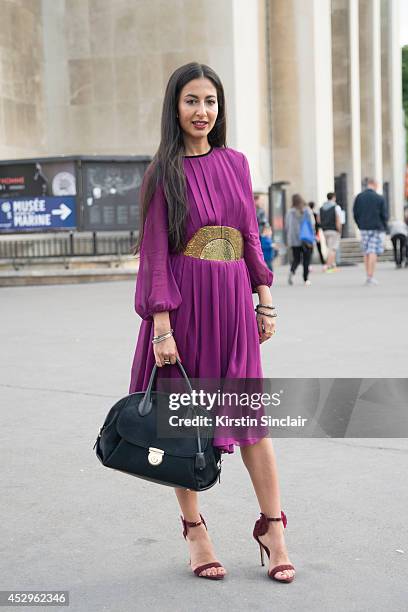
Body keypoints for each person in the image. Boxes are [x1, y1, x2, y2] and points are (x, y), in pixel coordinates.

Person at [129, 62, 295, 583]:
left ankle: (273, 528)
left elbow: (248, 233)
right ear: (174, 108)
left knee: (252, 423)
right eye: (192, 101)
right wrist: (161, 325)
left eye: (211, 102)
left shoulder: (237, 163)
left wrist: (263, 297)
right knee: (184, 424)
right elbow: (155, 251)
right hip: (183, 308)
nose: (202, 112)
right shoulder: (163, 171)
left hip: (231, 307)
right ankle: (195, 531)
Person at [353, 179, 388, 285]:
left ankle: (367, 274)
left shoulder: (359, 197)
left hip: (363, 227)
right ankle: (370, 275)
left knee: (366, 251)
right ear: (374, 185)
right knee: (373, 251)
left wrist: (359, 224)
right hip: (376, 227)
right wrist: (384, 227)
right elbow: (384, 215)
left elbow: (355, 212)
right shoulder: (379, 198)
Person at [285, 194, 315, 286]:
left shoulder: (290, 212)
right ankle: (306, 279)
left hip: (294, 240)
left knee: (296, 259)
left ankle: (292, 272)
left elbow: (287, 226)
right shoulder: (307, 210)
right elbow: (312, 224)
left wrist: (288, 239)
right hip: (306, 239)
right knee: (306, 260)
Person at [319, 193, 342, 272]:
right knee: (333, 248)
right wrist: (339, 230)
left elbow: (318, 219)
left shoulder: (321, 208)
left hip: (325, 230)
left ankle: (332, 265)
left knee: (329, 248)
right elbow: (338, 219)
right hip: (333, 230)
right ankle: (328, 266)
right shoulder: (336, 207)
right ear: (333, 198)